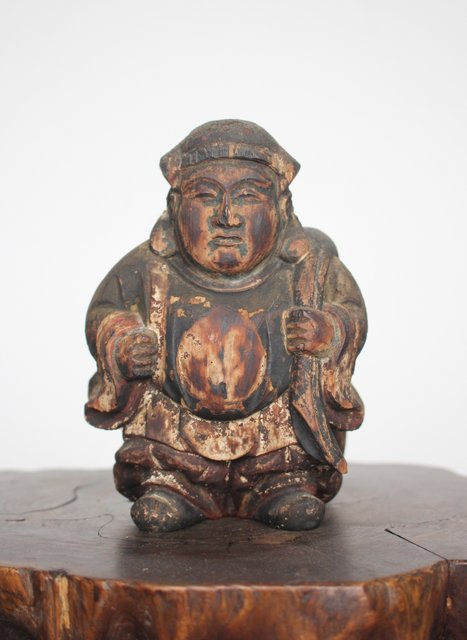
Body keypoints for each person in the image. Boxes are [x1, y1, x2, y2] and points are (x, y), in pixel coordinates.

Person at [85, 120, 367, 532]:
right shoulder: (148, 269)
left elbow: (350, 312)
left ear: (282, 206)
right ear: (174, 205)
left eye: (248, 197)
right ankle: (175, 490)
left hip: (277, 430)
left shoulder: (311, 271)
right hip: (176, 430)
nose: (226, 217)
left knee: (287, 463)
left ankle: (281, 488)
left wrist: (328, 332)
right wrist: (123, 342)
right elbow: (105, 312)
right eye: (205, 196)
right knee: (167, 464)